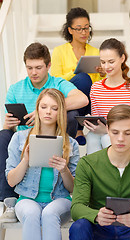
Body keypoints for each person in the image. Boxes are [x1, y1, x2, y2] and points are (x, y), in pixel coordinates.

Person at [0, 42, 88, 201]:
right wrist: (9, 123)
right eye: (29, 68)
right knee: (3, 135)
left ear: (48, 65)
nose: (33, 72)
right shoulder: (15, 89)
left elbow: (82, 99)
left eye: (38, 67)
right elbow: (9, 130)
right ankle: (8, 198)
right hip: (24, 143)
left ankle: (61, 177)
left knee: (71, 113)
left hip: (56, 138)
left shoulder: (58, 84)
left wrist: (46, 111)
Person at [69, 104, 130, 240]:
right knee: (79, 226)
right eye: (115, 132)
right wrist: (97, 216)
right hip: (100, 228)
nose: (121, 138)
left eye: (127, 133)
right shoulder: (87, 163)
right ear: (107, 129)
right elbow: (76, 207)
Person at [5, 88, 80, 240]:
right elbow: (11, 181)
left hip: (60, 199)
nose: (48, 112)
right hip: (27, 198)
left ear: (60, 112)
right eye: (44, 107)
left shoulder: (71, 143)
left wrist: (64, 169)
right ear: (37, 108)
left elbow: (73, 188)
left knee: (49, 213)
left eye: (54, 108)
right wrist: (26, 160)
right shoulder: (19, 138)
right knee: (32, 213)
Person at [51, 7, 106, 145]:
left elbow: (99, 85)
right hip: (69, 97)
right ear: (70, 30)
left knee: (88, 81)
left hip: (89, 98)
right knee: (82, 78)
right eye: (79, 28)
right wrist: (75, 71)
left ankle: (78, 129)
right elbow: (55, 80)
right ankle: (78, 129)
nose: (84, 32)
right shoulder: (59, 51)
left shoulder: (96, 52)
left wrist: (102, 74)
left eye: (87, 28)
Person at [84, 38, 130, 154]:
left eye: (111, 61)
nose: (106, 66)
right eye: (103, 62)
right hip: (104, 134)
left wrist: (107, 130)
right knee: (92, 136)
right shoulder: (96, 88)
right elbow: (97, 119)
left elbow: (129, 121)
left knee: (107, 138)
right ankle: (95, 172)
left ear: (122, 58)